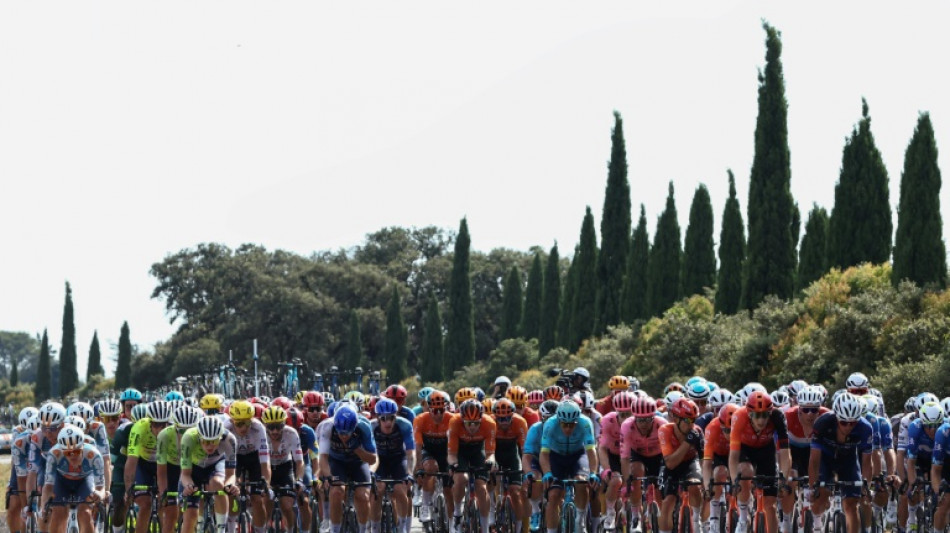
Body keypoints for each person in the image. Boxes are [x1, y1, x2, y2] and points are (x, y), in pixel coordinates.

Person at [809, 393, 873, 533]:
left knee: (851, 505)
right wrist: (813, 486)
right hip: (825, 459)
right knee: (821, 496)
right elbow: (814, 461)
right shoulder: (822, 423)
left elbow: (867, 462)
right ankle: (817, 525)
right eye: (844, 422)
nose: (848, 427)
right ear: (836, 417)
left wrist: (866, 484)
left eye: (853, 423)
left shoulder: (865, 428)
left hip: (848, 460)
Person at [729, 390, 791, 533]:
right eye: (757, 415)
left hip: (766, 450)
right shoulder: (739, 416)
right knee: (745, 472)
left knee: (771, 504)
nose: (762, 420)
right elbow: (733, 455)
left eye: (765, 415)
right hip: (744, 449)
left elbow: (785, 452)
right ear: (750, 413)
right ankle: (743, 518)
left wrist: (784, 479)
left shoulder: (777, 416)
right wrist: (734, 481)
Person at [540, 401, 599, 533]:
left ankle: (580, 521)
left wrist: (593, 472)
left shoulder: (585, 422)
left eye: (572, 424)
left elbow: (591, 451)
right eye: (565, 425)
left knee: (581, 482)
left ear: (577, 420)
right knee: (554, 495)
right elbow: (544, 453)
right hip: (556, 457)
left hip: (577, 455)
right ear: (559, 421)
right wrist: (547, 473)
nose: (568, 428)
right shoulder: (550, 424)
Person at [318, 404, 376, 533]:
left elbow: (372, 459)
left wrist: (356, 449)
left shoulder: (364, 426)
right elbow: (322, 457)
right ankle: (335, 530)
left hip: (358, 462)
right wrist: (328, 477)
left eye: (347, 433)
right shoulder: (327, 426)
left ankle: (363, 529)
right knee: (336, 492)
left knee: (363, 495)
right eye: (340, 433)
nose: (343, 436)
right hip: (337, 461)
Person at [179, 416, 239, 533]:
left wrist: (230, 485)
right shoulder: (188, 438)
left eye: (214, 441)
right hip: (194, 467)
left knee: (217, 483)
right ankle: (200, 524)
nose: (210, 446)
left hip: (216, 464)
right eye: (206, 441)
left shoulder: (229, 439)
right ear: (199, 437)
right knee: (190, 517)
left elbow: (231, 475)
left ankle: (221, 529)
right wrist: (188, 486)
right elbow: (185, 474)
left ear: (220, 437)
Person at [40, 426, 106, 533]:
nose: (72, 456)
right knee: (57, 512)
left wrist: (100, 495)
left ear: (82, 446)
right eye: (67, 453)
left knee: (85, 512)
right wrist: (44, 506)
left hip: (84, 480)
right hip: (62, 481)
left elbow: (101, 488)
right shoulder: (54, 454)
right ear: (61, 449)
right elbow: (48, 486)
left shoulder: (94, 455)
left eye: (76, 451)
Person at [448, 399, 497, 533]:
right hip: (460, 451)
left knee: (481, 487)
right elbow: (451, 453)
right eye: (469, 423)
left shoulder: (489, 424)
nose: (472, 427)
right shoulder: (454, 422)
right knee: (460, 479)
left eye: (476, 423)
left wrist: (490, 462)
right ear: (463, 419)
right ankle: (457, 511)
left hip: (478, 451)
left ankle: (485, 527)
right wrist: (453, 465)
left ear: (481, 419)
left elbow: (490, 453)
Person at [223, 400, 271, 533]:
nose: (244, 428)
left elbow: (265, 461)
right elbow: (223, 459)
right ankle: (231, 528)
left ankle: (261, 530)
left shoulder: (258, 427)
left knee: (258, 499)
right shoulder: (225, 428)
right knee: (230, 491)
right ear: (232, 421)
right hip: (234, 458)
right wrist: (231, 482)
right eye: (239, 423)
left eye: (247, 423)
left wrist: (265, 483)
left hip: (253, 458)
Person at [369, 398, 415, 533]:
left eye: (391, 418)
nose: (388, 422)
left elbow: (410, 453)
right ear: (377, 418)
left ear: (396, 416)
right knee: (378, 489)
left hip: (398, 459)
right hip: (379, 460)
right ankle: (375, 528)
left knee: (401, 490)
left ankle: (402, 528)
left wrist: (410, 473)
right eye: (383, 418)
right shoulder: (371, 427)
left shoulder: (405, 425)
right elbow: (369, 454)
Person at [658, 398, 704, 533]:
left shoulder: (698, 431)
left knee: (695, 485)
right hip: (671, 464)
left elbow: (703, 460)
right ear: (676, 418)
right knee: (668, 502)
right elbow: (670, 464)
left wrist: (706, 482)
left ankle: (696, 521)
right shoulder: (664, 431)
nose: (691, 425)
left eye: (694, 420)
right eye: (687, 420)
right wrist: (687, 443)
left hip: (690, 462)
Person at [621, 396, 665, 531]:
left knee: (659, 487)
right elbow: (624, 457)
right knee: (635, 473)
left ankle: (661, 519)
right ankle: (635, 516)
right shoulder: (627, 426)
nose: (643, 424)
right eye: (640, 420)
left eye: (647, 419)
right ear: (635, 418)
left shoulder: (662, 424)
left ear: (653, 417)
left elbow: (669, 452)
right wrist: (626, 480)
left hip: (658, 455)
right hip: (637, 454)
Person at [156, 405, 201, 533]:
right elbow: (161, 471)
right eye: (182, 431)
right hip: (172, 469)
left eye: (190, 430)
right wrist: (163, 493)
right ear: (174, 427)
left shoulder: (202, 436)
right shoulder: (164, 435)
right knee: (171, 513)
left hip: (192, 468)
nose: (187, 435)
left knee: (193, 512)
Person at [413, 391, 455, 524]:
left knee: (448, 491)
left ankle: (453, 524)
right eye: (434, 410)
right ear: (428, 408)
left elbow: (454, 447)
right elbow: (418, 446)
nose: (438, 414)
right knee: (430, 468)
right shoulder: (420, 419)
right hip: (428, 451)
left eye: (442, 410)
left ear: (447, 408)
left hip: (446, 453)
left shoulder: (452, 420)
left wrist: (453, 465)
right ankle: (426, 505)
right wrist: (418, 467)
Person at [490, 399, 528, 533]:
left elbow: (524, 450)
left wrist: (526, 469)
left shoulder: (520, 422)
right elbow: (488, 449)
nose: (504, 422)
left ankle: (518, 528)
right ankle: (491, 514)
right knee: (488, 481)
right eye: (500, 419)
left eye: (507, 418)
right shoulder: (491, 423)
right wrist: (492, 463)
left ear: (512, 415)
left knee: (515, 492)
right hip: (495, 455)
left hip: (513, 457)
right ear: (495, 416)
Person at [703, 404, 739, 533]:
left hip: (737, 452)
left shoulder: (744, 425)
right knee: (720, 472)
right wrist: (707, 487)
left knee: (745, 475)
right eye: (726, 430)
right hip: (719, 455)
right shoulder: (712, 428)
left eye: (733, 431)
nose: (729, 435)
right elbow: (706, 463)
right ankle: (714, 519)